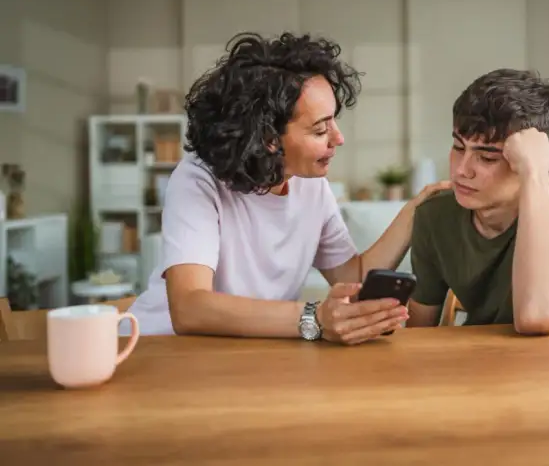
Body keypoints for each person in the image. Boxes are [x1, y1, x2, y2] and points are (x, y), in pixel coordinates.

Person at [126, 31, 448, 344]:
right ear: (269, 138)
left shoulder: (312, 186)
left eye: (334, 121)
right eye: (320, 130)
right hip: (160, 350)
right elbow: (190, 308)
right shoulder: (198, 179)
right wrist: (314, 317)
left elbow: (353, 277)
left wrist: (416, 211)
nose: (338, 138)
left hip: (246, 355)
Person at [405, 68, 549, 334]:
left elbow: (537, 318)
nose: (462, 170)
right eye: (459, 147)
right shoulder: (435, 215)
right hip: (478, 356)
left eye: (487, 158)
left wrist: (535, 172)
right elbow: (417, 330)